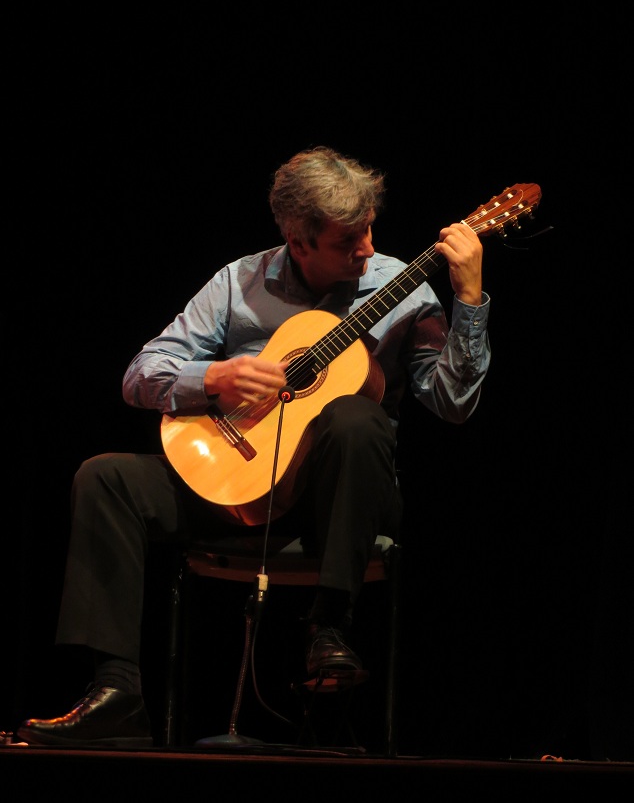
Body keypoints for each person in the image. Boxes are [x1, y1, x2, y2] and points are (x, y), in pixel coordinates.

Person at [18, 145, 491, 748]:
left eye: (369, 229)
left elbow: (453, 403)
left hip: (337, 500)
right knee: (104, 477)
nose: (367, 248)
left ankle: (329, 630)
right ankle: (116, 692)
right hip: (239, 485)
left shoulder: (401, 289)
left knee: (355, 417)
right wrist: (212, 379)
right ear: (299, 242)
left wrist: (469, 298)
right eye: (348, 241)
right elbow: (140, 374)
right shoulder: (238, 284)